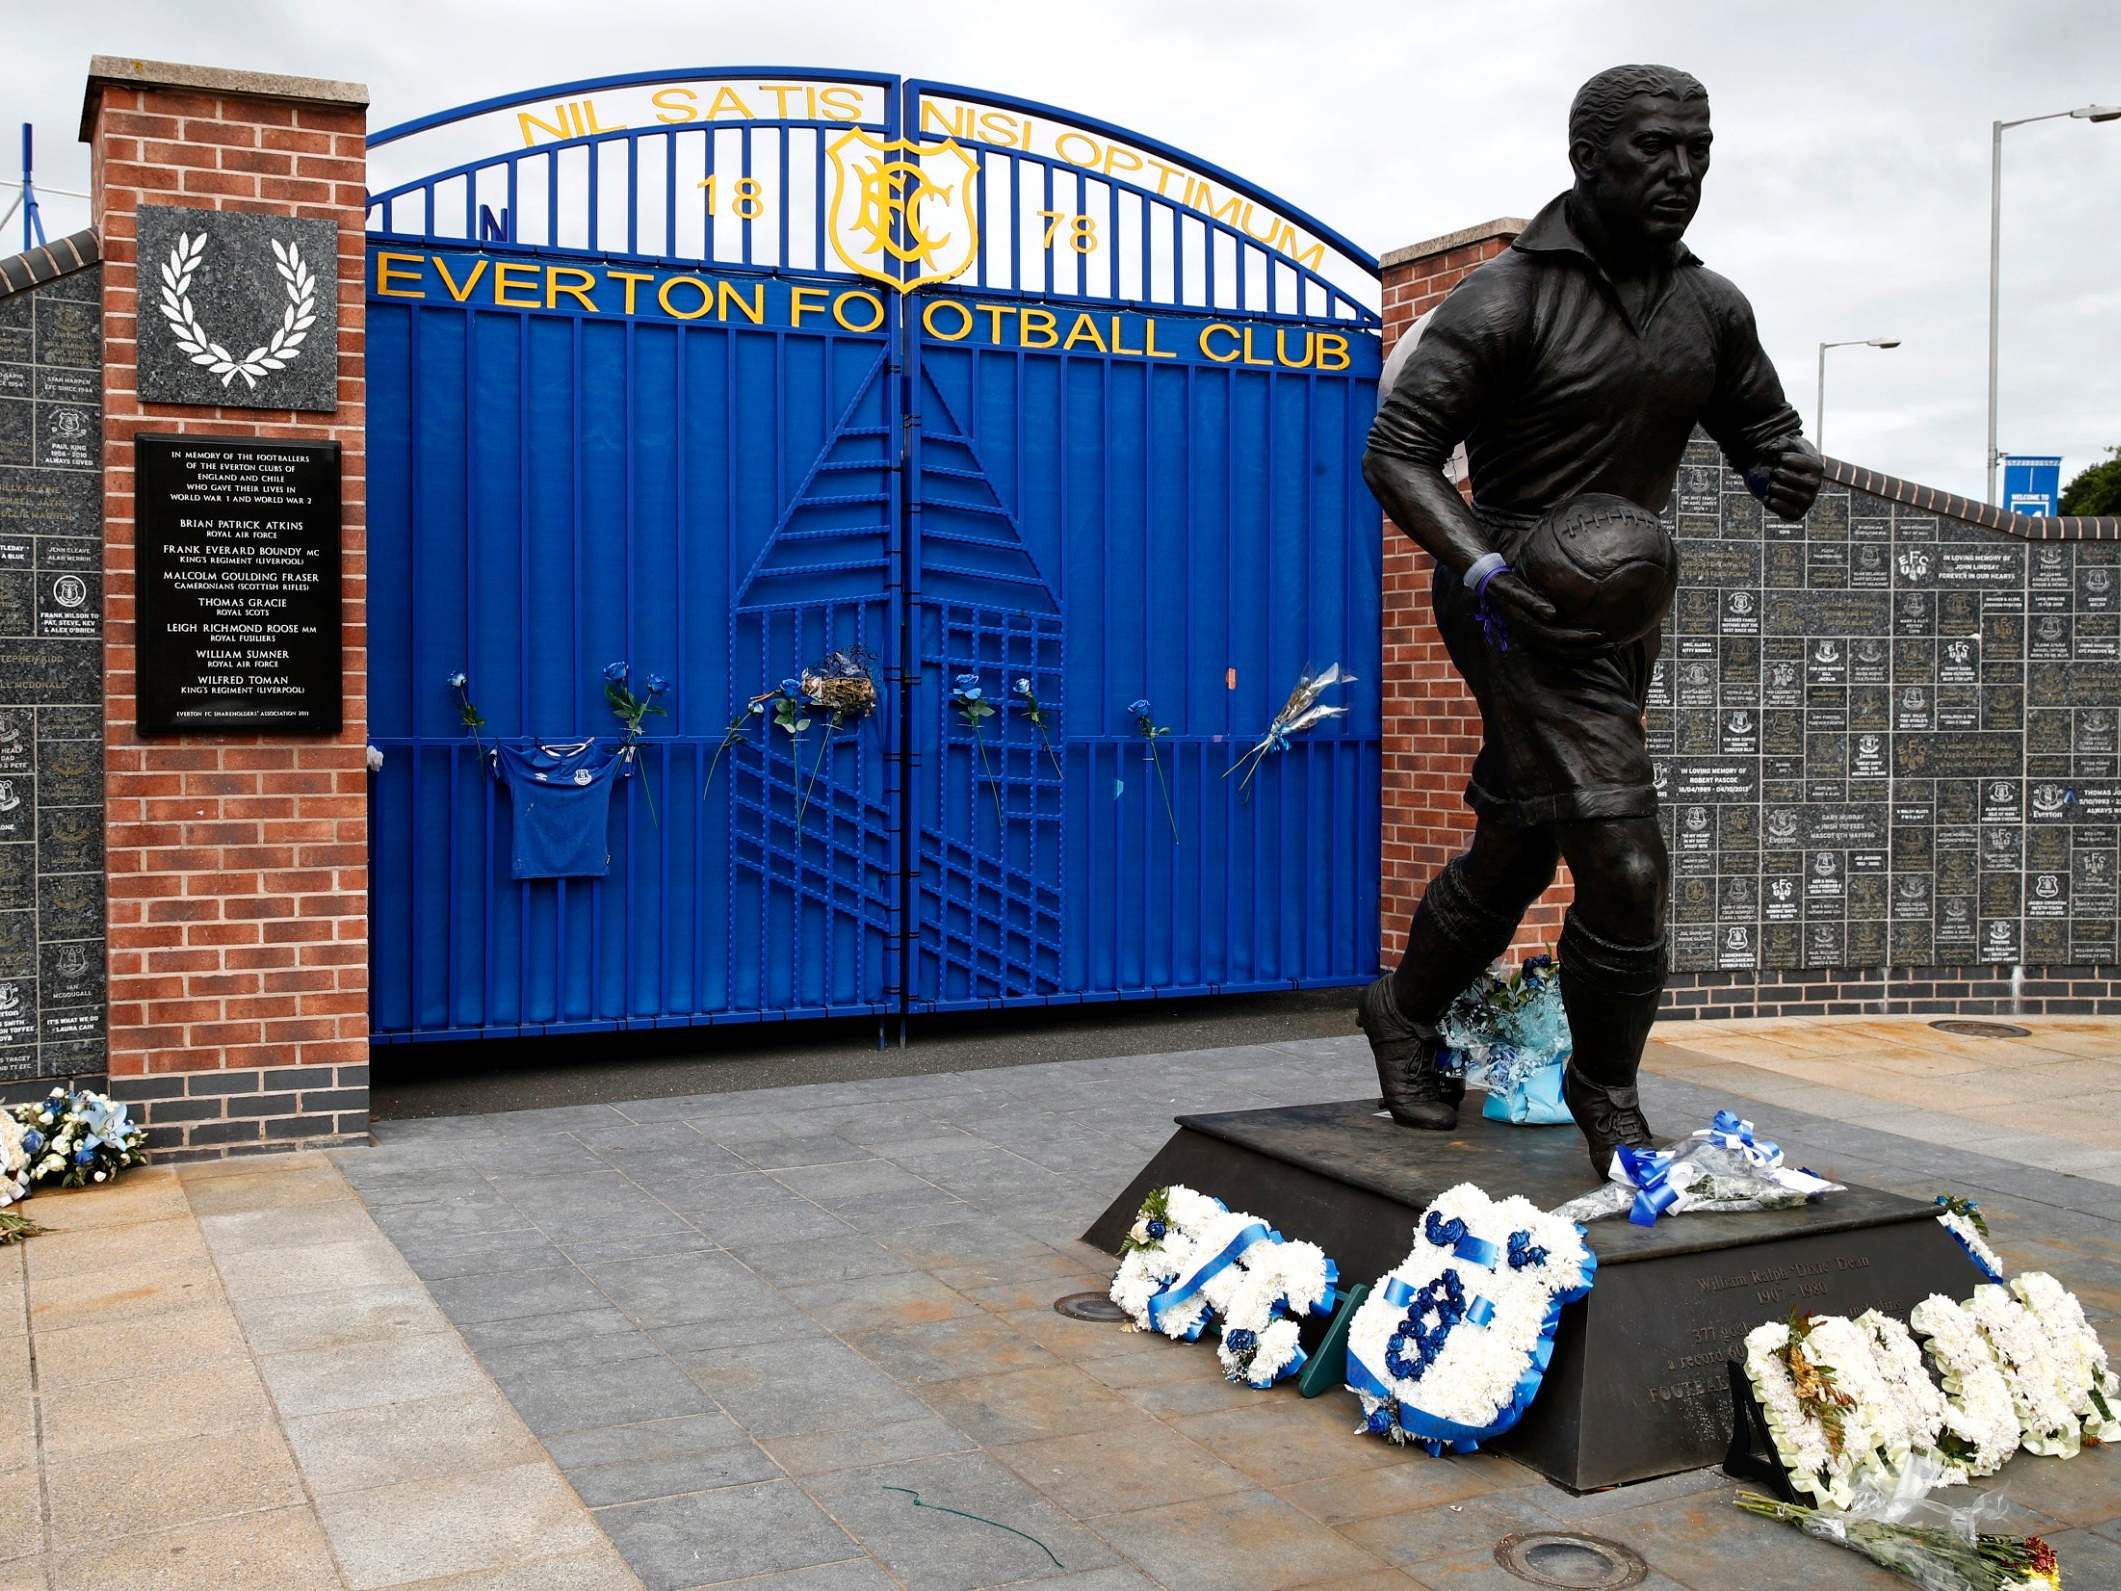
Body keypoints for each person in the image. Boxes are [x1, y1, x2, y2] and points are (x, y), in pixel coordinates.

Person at [1358, 64, 1824, 1178]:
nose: (1681, 172)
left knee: (1521, 842)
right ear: (1587, 161)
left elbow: (1765, 431)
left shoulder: (1712, 307)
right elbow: (1398, 453)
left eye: (1697, 150)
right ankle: (1603, 1090)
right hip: (1511, 597)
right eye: (1655, 149)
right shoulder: (1508, 299)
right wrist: (1476, 567)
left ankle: (1401, 1008)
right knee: (1624, 856)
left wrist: (1784, 468)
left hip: (1621, 608)